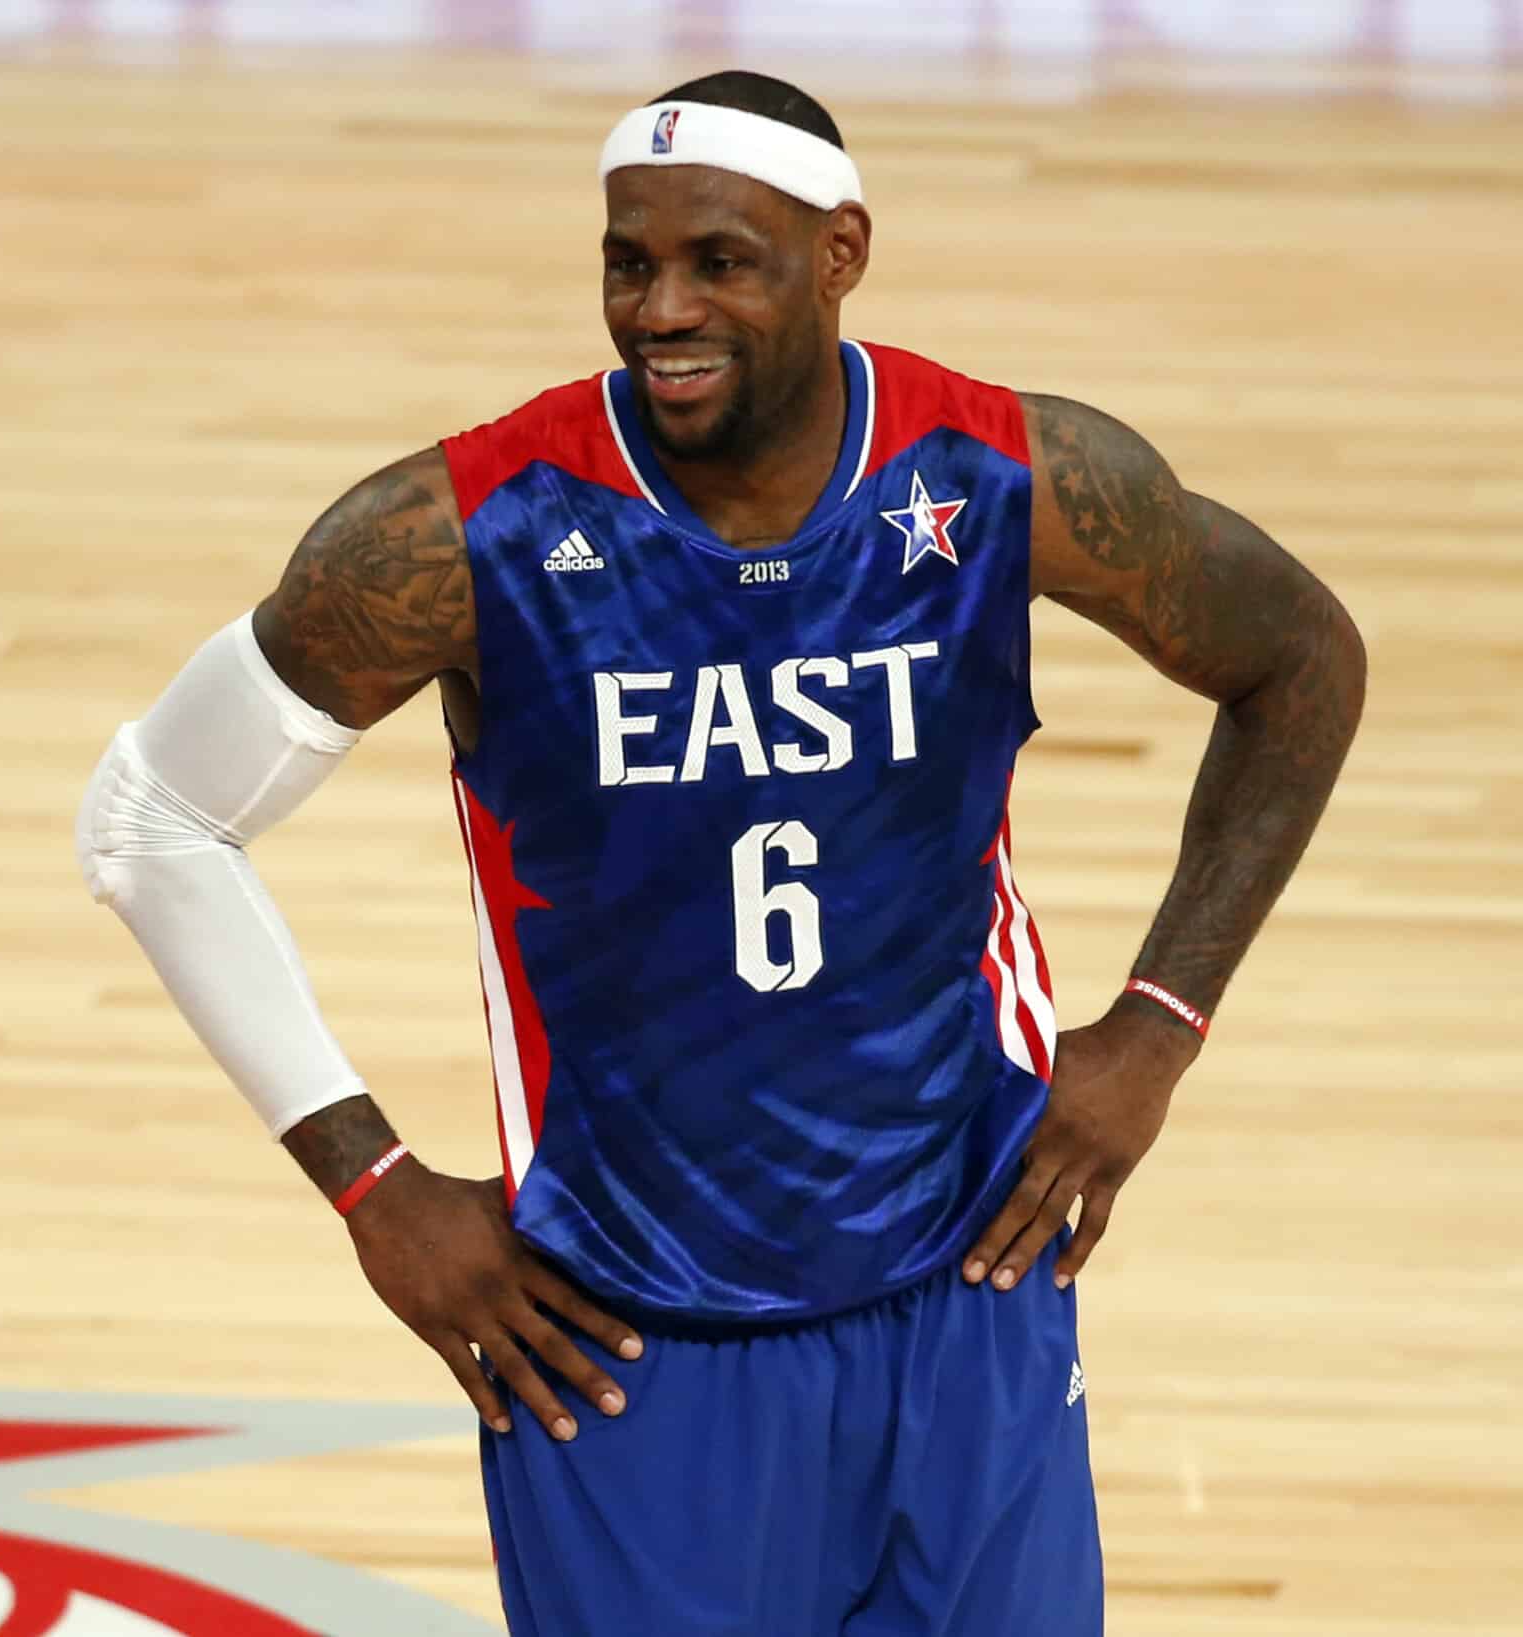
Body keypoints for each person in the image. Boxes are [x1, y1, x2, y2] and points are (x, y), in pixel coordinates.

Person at [75, 71, 1364, 1635]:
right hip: (622, 1338)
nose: (660, 307)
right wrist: (376, 1186)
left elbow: (1301, 658)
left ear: (840, 253)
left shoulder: (1007, 477)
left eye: (718, 261)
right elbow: (152, 815)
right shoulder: (458, 533)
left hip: (968, 1278)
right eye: (630, 261)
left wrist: (1158, 1028)